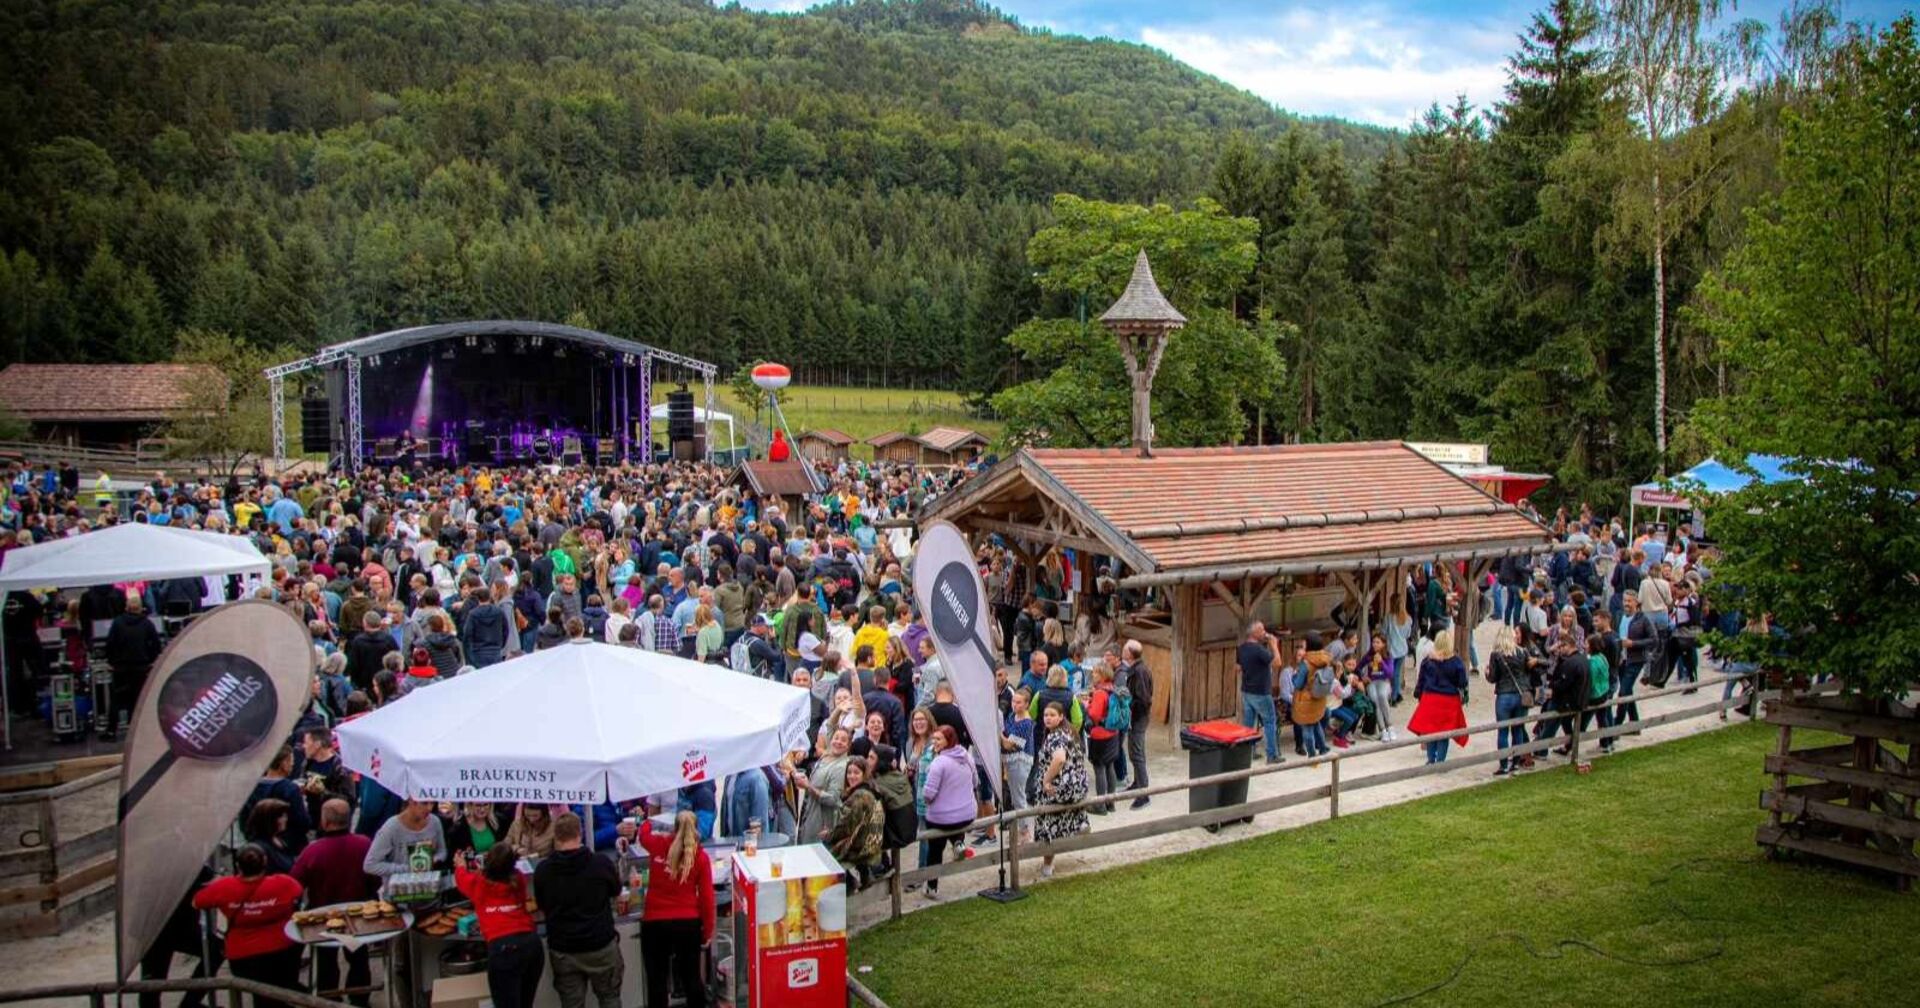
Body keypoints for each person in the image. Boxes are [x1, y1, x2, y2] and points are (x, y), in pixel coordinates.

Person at [193, 844, 303, 1008]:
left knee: (263, 995)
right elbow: (298, 891)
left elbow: (197, 902)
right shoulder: (283, 883)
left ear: (238, 865)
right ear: (265, 861)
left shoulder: (224, 887)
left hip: (243, 958)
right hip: (281, 952)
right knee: (277, 992)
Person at [533, 812, 623, 1008]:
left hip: (564, 949)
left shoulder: (543, 871)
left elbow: (541, 905)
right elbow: (616, 890)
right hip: (601, 946)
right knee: (609, 998)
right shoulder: (600, 863)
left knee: (572, 1004)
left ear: (556, 837)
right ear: (580, 834)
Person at [290, 799, 374, 1006]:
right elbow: (375, 878)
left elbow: (294, 883)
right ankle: (359, 999)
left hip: (323, 919)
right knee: (359, 961)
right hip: (359, 917)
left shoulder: (313, 851)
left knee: (327, 963)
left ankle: (330, 999)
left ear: (325, 821)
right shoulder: (364, 844)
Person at [626, 812, 714, 1008]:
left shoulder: (658, 844)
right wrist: (707, 931)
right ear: (696, 828)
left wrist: (649, 820)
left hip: (655, 923)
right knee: (692, 977)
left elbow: (643, 834)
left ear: (673, 827)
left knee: (657, 982)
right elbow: (707, 898)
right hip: (688, 923)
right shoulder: (700, 856)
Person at [455, 842, 544, 1008]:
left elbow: (461, 878)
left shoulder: (479, 884)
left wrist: (460, 865)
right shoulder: (518, 879)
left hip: (504, 949)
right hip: (531, 945)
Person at [1031, 702, 1089, 879]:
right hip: (1076, 786)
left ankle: (1047, 865)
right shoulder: (1069, 732)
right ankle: (1081, 822)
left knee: (1047, 824)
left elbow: (1059, 759)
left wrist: (1046, 780)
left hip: (1058, 788)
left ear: (1061, 716)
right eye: (1045, 715)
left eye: (1052, 715)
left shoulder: (1056, 737)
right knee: (1066, 810)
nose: (1047, 718)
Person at [917, 725, 976, 899]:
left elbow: (928, 794)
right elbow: (975, 782)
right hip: (967, 814)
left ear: (948, 741)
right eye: (933, 739)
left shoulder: (939, 762)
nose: (934, 742)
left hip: (942, 818)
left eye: (938, 739)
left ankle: (931, 887)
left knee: (935, 849)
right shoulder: (967, 756)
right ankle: (958, 842)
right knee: (955, 821)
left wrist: (928, 802)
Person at [102, 592, 162, 737]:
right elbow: (156, 644)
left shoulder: (117, 622)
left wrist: (111, 661)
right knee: (140, 700)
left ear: (126, 607)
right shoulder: (147, 623)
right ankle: (140, 732)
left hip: (121, 667)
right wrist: (150, 659)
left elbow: (110, 644)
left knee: (116, 700)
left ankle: (111, 731)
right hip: (141, 666)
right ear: (141, 608)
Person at [1406, 630, 1468, 765]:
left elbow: (1421, 680)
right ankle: (1440, 761)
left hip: (1430, 698)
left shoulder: (1428, 661)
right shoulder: (1456, 662)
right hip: (1448, 700)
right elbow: (1462, 682)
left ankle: (1430, 759)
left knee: (1430, 731)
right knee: (1443, 734)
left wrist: (1418, 694)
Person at [826, 758, 886, 892]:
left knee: (825, 852)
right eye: (849, 772)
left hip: (862, 846)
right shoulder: (873, 789)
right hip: (874, 840)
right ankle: (864, 876)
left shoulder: (860, 796)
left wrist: (829, 835)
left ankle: (847, 887)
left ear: (864, 774)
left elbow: (847, 827)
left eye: (856, 773)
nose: (851, 776)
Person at [1485, 627, 1535, 777]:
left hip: (1504, 695)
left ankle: (1504, 764)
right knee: (1518, 729)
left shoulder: (1496, 655)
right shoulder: (1522, 652)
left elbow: (1493, 678)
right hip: (1520, 695)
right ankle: (1515, 762)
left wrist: (1488, 674)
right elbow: (1528, 671)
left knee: (1503, 731)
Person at [1236, 622, 1282, 764]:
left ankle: (1248, 753)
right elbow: (1277, 663)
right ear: (1254, 633)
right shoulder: (1259, 650)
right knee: (1269, 722)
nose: (1264, 632)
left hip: (1247, 691)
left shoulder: (1242, 648)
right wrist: (1274, 645)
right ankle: (1272, 755)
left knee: (1249, 723)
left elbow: (1237, 668)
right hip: (1261, 692)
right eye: (1261, 630)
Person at [363, 798, 447, 877]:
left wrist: (432, 861)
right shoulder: (391, 827)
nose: (429, 808)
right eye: (424, 803)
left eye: (432, 803)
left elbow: (442, 852)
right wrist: (408, 868)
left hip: (427, 886)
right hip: (399, 889)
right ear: (411, 801)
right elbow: (370, 865)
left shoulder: (435, 822)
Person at [1083, 662, 1123, 814]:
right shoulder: (1113, 689)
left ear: (1102, 675)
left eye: (1095, 673)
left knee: (1099, 768)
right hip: (1113, 733)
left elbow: (1094, 715)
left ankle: (1099, 805)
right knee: (1110, 767)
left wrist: (1087, 705)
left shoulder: (1100, 693)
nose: (1092, 675)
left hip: (1099, 735)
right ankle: (1110, 803)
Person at [1117, 640, 1153, 808]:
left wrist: (1128, 708)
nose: (1122, 651)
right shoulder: (1136, 669)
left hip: (1138, 718)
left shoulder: (1139, 672)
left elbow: (1143, 700)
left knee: (1137, 754)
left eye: (1124, 649)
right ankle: (1138, 784)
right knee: (1135, 752)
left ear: (1130, 654)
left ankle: (1143, 794)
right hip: (1137, 717)